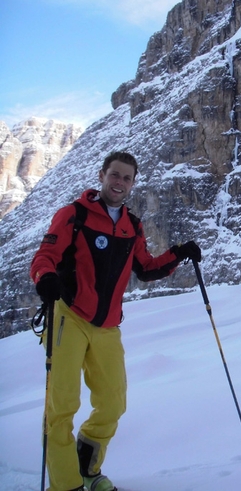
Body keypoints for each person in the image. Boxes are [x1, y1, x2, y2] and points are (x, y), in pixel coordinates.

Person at [31, 151, 201, 491]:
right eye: (115, 175)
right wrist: (45, 279)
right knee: (61, 406)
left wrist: (179, 253)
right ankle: (66, 485)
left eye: (126, 178)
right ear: (102, 175)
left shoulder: (131, 225)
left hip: (108, 325)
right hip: (69, 316)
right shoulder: (74, 215)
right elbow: (45, 256)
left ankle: (87, 469)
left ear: (133, 183)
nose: (119, 182)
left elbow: (146, 268)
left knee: (112, 402)